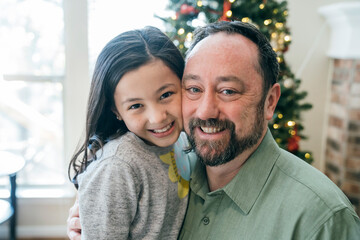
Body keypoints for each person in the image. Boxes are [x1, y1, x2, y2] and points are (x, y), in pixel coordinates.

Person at [68, 21, 360, 239]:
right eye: (194, 89)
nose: (206, 111)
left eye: (228, 91)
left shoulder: (322, 219)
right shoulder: (173, 162)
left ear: (269, 102)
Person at [68, 26, 190, 239]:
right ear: (116, 111)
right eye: (135, 106)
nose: (157, 117)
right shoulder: (116, 168)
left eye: (166, 94)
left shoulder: (182, 139)